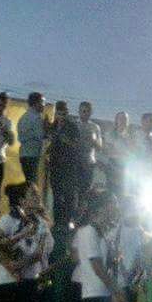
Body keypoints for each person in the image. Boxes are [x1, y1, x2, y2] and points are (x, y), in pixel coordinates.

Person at [109, 198, 144, 302]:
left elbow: (141, 256)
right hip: (117, 282)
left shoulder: (139, 231)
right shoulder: (115, 230)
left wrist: (137, 276)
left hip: (131, 283)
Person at [48, 101, 81, 244]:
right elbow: (48, 143)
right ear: (56, 113)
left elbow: (77, 144)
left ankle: (67, 223)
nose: (62, 115)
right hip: (55, 166)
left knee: (69, 196)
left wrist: (64, 139)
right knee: (57, 196)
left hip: (69, 166)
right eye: (59, 113)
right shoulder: (52, 126)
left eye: (64, 113)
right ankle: (57, 223)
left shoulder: (73, 126)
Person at [17, 92, 46, 185]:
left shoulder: (23, 118)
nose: (44, 105)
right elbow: (41, 136)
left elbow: (20, 138)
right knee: (33, 185)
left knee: (29, 183)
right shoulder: (37, 118)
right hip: (33, 156)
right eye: (42, 102)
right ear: (36, 103)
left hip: (24, 155)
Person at [76, 101, 102, 195]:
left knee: (86, 190)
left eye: (88, 111)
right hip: (75, 162)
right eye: (83, 111)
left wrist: (93, 140)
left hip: (89, 163)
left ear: (91, 113)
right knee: (74, 191)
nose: (86, 114)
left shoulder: (95, 127)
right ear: (79, 111)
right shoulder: (74, 125)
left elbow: (100, 147)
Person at [105, 111, 133, 198]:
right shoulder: (110, 135)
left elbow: (132, 152)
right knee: (112, 192)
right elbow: (109, 151)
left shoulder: (131, 137)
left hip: (125, 166)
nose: (123, 121)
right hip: (113, 165)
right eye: (121, 118)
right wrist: (123, 152)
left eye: (125, 119)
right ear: (116, 120)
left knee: (123, 192)